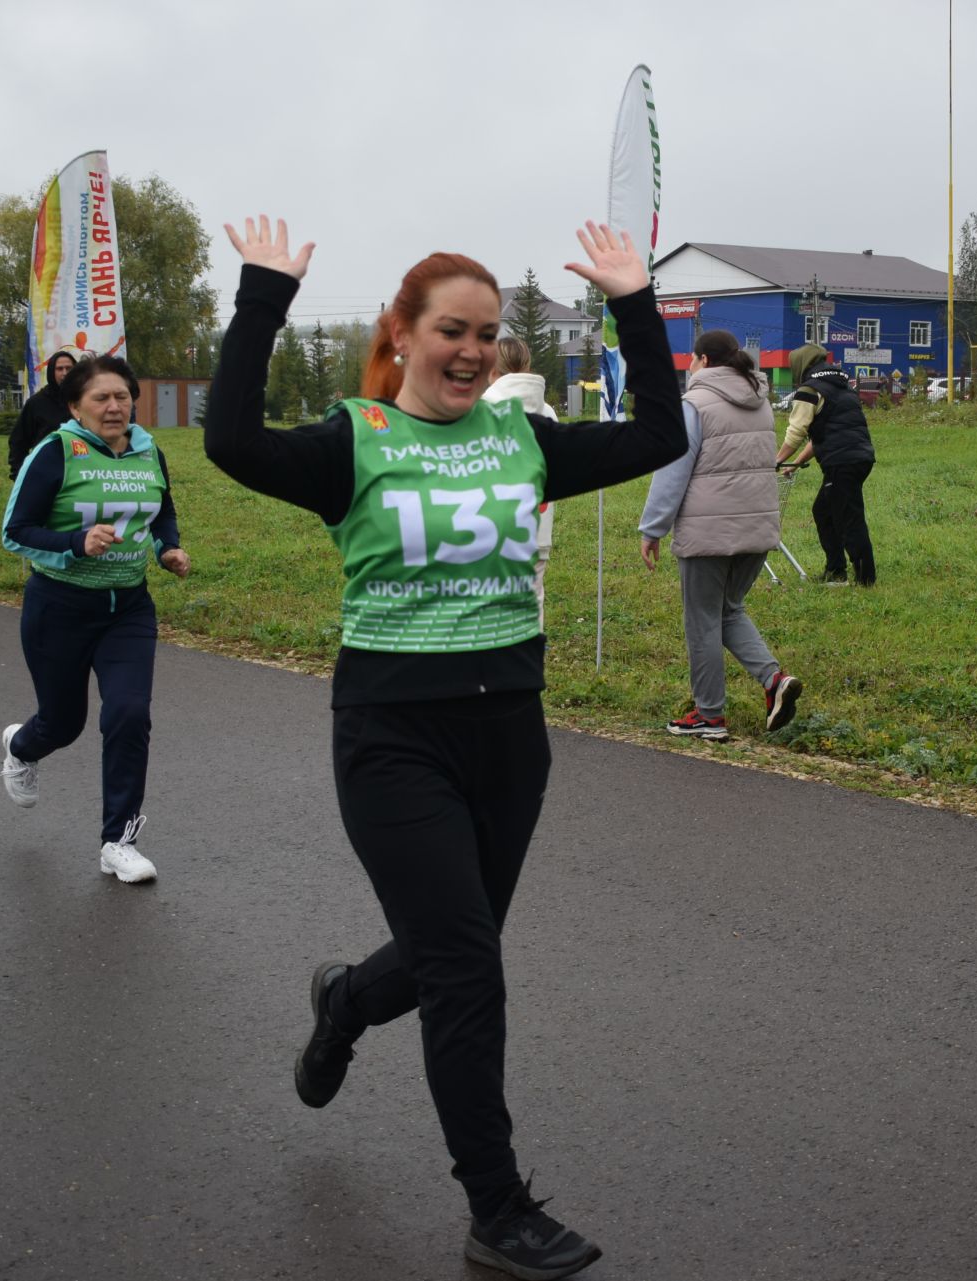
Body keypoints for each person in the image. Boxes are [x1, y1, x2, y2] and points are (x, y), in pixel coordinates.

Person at [204, 216, 682, 1281]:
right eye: (450, 332)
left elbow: (661, 436)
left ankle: (346, 1002)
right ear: (403, 334)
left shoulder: (526, 440)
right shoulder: (354, 443)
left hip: (511, 736)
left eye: (486, 335)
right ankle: (497, 1209)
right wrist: (262, 299)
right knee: (468, 966)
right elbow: (231, 442)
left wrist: (635, 305)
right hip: (393, 738)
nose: (470, 351)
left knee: (440, 957)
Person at [0, 354, 188, 884]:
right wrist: (75, 542)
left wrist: (167, 547)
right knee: (63, 723)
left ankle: (118, 841)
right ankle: (20, 747)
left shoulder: (149, 451)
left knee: (128, 714)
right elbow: (16, 530)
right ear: (75, 405)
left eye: (122, 396)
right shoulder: (55, 452)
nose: (114, 406)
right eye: (101, 398)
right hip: (59, 608)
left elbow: (161, 508)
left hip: (128, 608)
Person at [638, 329, 803, 740]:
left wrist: (652, 528)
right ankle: (774, 680)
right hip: (758, 529)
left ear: (705, 361)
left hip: (708, 531)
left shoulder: (694, 405)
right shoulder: (761, 402)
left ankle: (709, 715)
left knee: (702, 622)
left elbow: (672, 470)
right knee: (728, 610)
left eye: (692, 360)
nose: (689, 367)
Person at [775, 343, 877, 585]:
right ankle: (835, 569)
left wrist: (777, 460)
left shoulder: (810, 389)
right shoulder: (842, 386)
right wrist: (795, 463)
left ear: (800, 366)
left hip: (842, 461)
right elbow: (822, 434)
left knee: (848, 517)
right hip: (859, 456)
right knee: (824, 511)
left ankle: (865, 579)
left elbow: (796, 432)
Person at [480, 336, 559, 624]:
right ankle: (529, 664)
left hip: (489, 531)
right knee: (532, 600)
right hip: (537, 528)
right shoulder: (547, 412)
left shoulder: (480, 409)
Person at [8, 348, 79, 480]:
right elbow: (18, 441)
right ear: (52, 372)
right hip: (46, 473)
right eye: (60, 369)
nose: (64, 373)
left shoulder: (85, 400)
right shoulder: (36, 403)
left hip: (79, 473)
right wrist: (19, 474)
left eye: (69, 368)